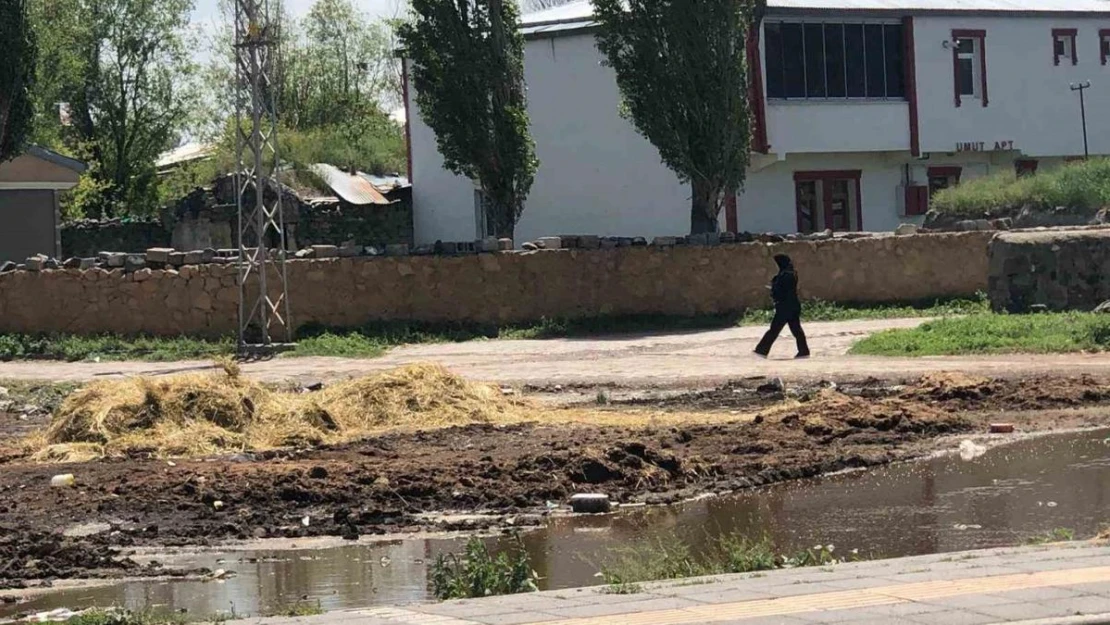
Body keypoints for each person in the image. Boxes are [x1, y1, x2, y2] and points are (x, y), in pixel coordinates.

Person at [754, 254, 810, 359]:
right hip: (792, 306)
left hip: (785, 307)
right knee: (796, 330)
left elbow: (781, 291)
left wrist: (774, 288)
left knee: (774, 330)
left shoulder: (785, 276)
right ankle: (804, 351)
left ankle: (761, 350)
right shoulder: (791, 274)